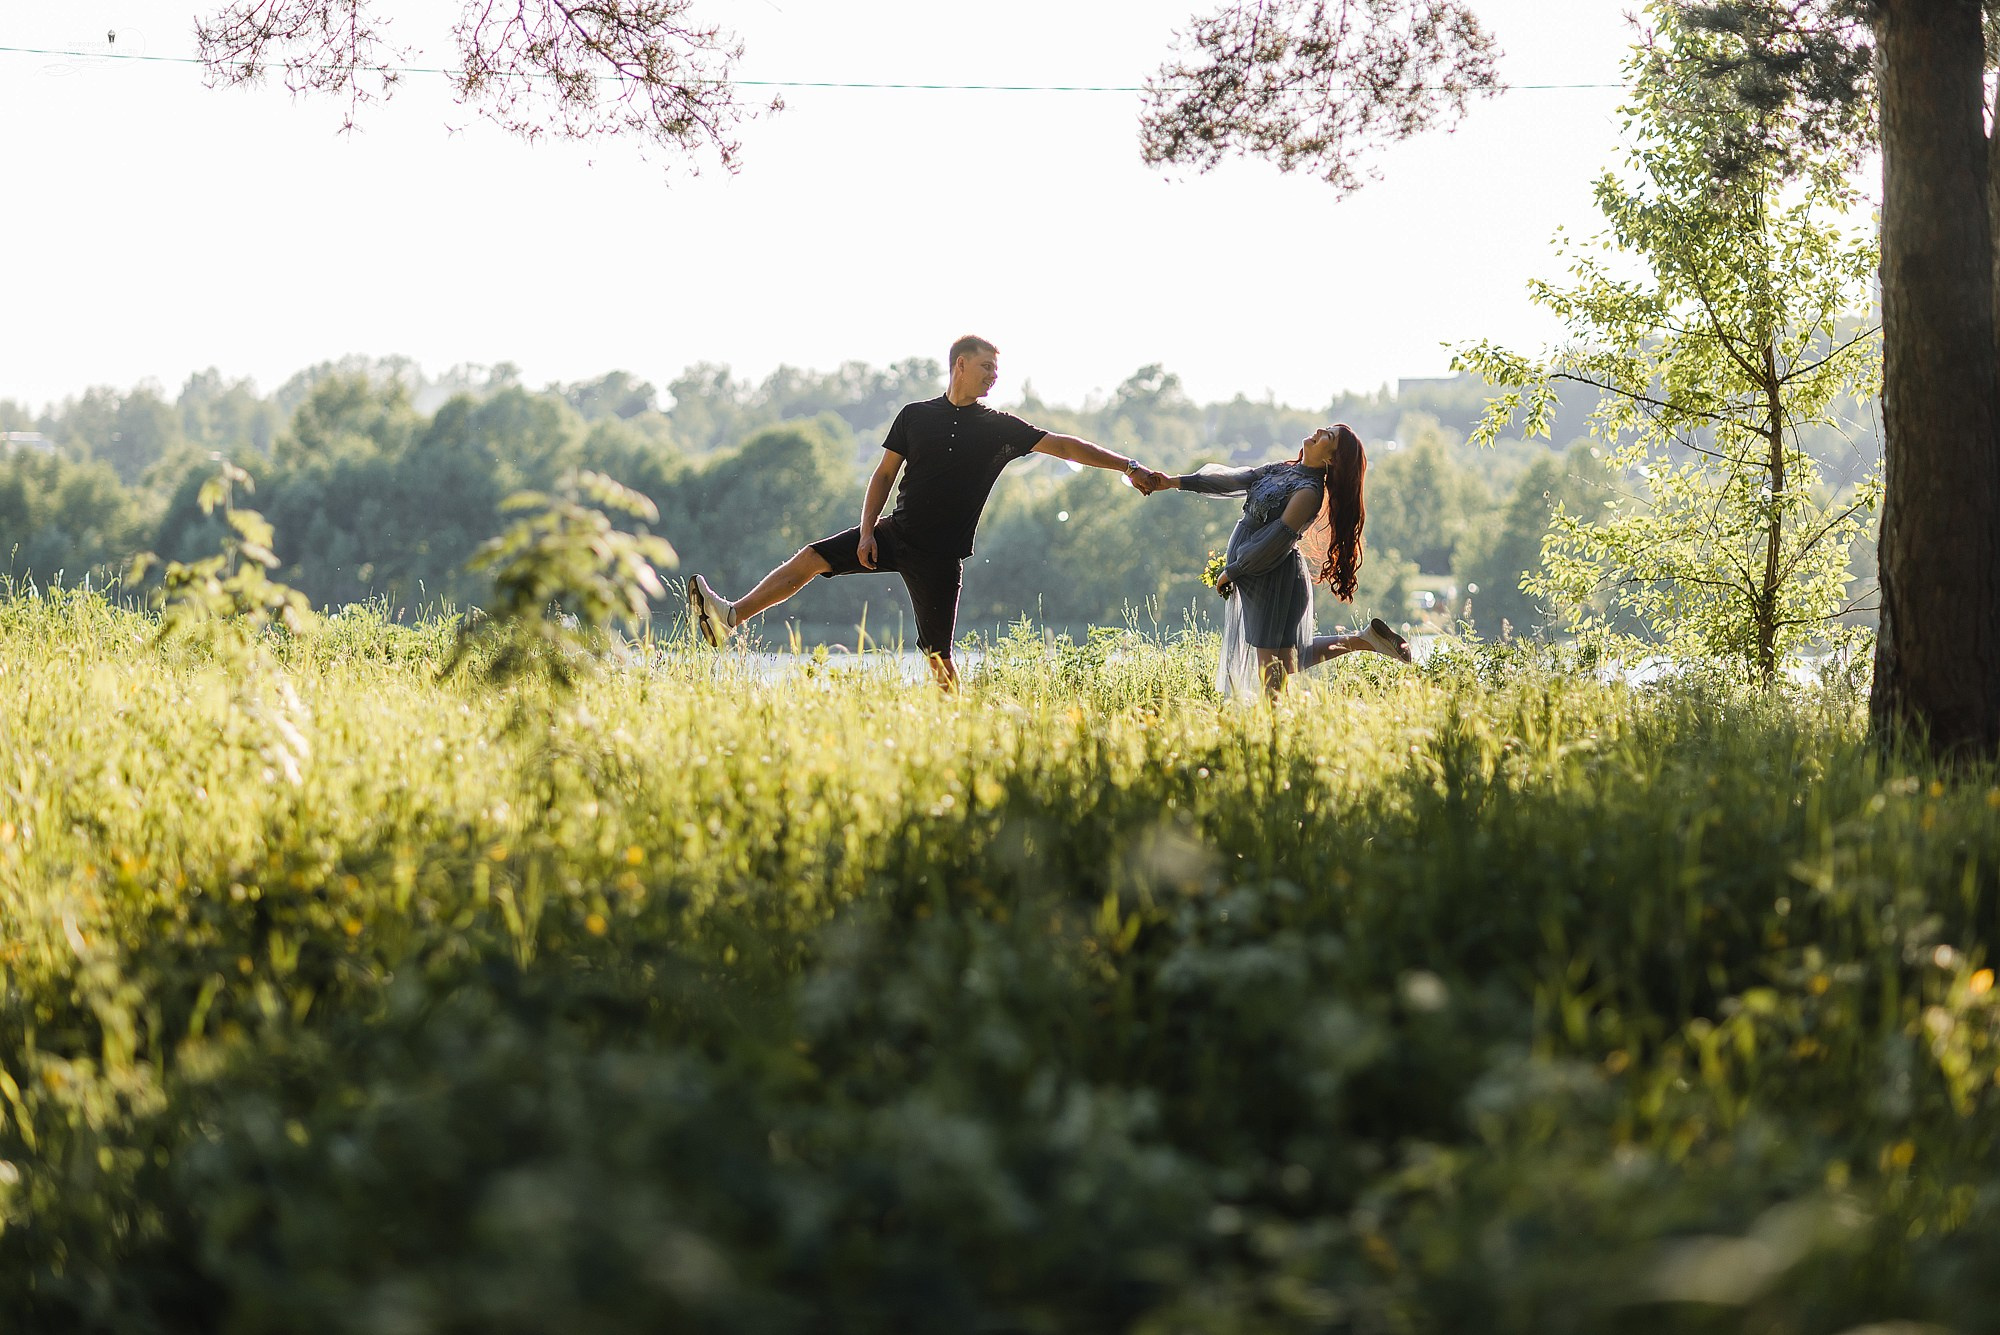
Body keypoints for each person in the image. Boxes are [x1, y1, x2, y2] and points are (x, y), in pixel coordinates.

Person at [685, 335, 1164, 689]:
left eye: (997, 371)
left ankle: (957, 727)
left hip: (939, 556)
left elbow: (1064, 445)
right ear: (960, 365)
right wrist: (868, 531)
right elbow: (882, 477)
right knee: (811, 557)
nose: (993, 376)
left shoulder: (999, 427)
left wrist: (1129, 465)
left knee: (938, 655)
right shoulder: (915, 415)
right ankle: (730, 618)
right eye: (986, 367)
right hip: (896, 532)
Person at [1155, 424, 1411, 697]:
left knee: (1270, 669)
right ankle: (1364, 640)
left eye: (1329, 436)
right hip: (1259, 575)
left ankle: (1275, 730)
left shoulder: (1309, 492)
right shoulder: (1282, 469)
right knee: (1285, 659)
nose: (1320, 430)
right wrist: (1174, 482)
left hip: (1272, 578)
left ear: (1331, 459)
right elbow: (1235, 480)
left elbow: (1274, 542)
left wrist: (1233, 570)